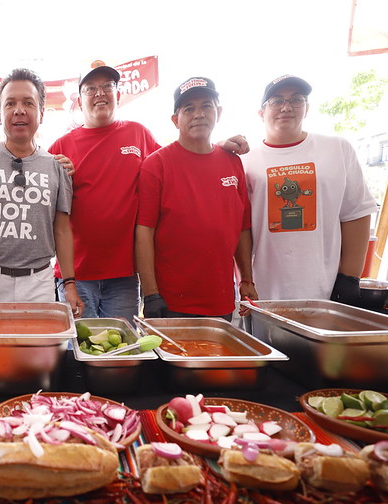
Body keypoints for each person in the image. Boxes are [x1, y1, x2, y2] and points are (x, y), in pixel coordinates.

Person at [50, 63, 251, 323]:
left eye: (107, 87)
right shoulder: (60, 146)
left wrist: (219, 146)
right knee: (80, 348)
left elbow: (183, 155)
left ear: (118, 95)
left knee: (121, 351)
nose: (100, 93)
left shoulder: (138, 134)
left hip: (124, 274)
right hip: (77, 275)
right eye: (91, 89)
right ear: (79, 99)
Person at [0, 67, 83, 316]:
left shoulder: (57, 167)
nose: (19, 110)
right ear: (0, 112)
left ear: (42, 113)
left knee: (38, 353)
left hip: (40, 283)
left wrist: (69, 283)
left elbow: (62, 230)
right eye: (10, 103)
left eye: (28, 103)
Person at [243, 75, 377, 303]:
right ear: (261, 112)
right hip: (263, 291)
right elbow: (240, 229)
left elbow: (356, 214)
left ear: (307, 108)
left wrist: (349, 277)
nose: (286, 107)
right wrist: (245, 280)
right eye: (276, 101)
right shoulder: (246, 161)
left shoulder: (337, 149)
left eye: (296, 99)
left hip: (324, 290)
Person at [135, 77, 256, 320]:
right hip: (171, 301)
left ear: (218, 112)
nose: (198, 114)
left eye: (206, 105)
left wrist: (247, 279)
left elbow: (243, 227)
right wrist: (151, 294)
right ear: (175, 119)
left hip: (221, 300)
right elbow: (143, 232)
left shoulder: (233, 162)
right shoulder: (156, 165)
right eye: (188, 108)